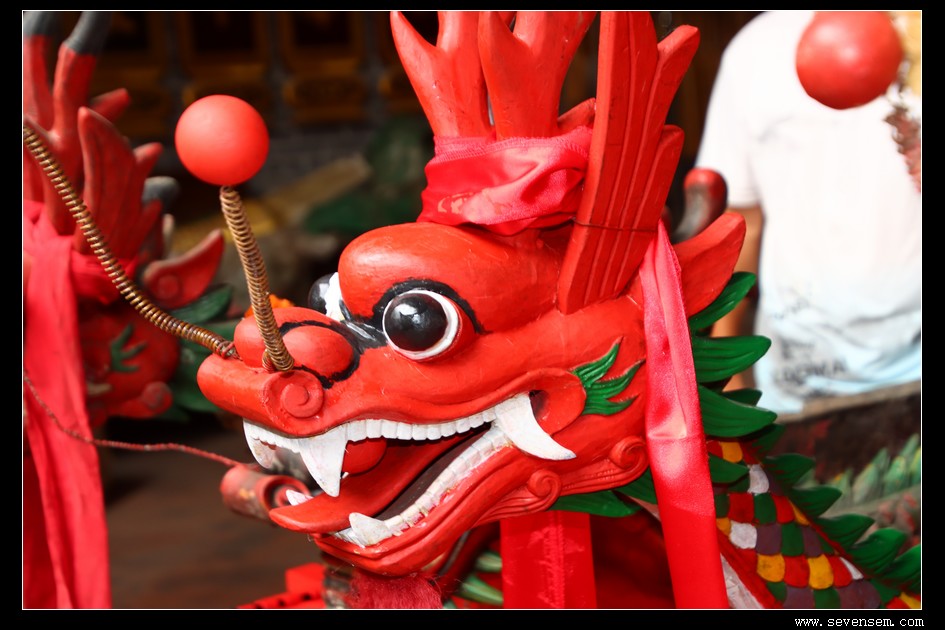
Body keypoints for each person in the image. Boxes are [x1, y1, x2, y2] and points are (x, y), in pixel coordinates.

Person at [695, 10, 921, 415]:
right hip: (796, 377)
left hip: (913, 364)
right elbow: (741, 225)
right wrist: (728, 372)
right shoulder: (755, 51)